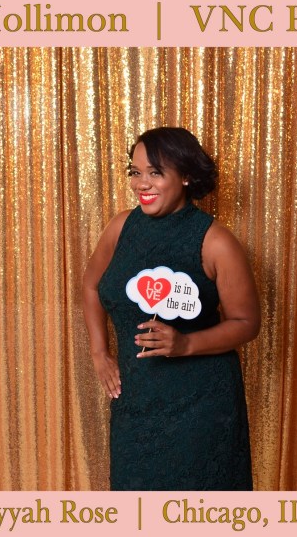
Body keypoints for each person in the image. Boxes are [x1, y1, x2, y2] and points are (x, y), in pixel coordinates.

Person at [82, 127, 260, 490]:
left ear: (187, 176)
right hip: (136, 402)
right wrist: (99, 352)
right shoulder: (121, 227)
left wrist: (186, 344)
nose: (142, 184)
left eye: (156, 172)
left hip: (201, 406)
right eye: (135, 172)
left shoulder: (215, 242)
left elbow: (246, 322)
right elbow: (91, 286)